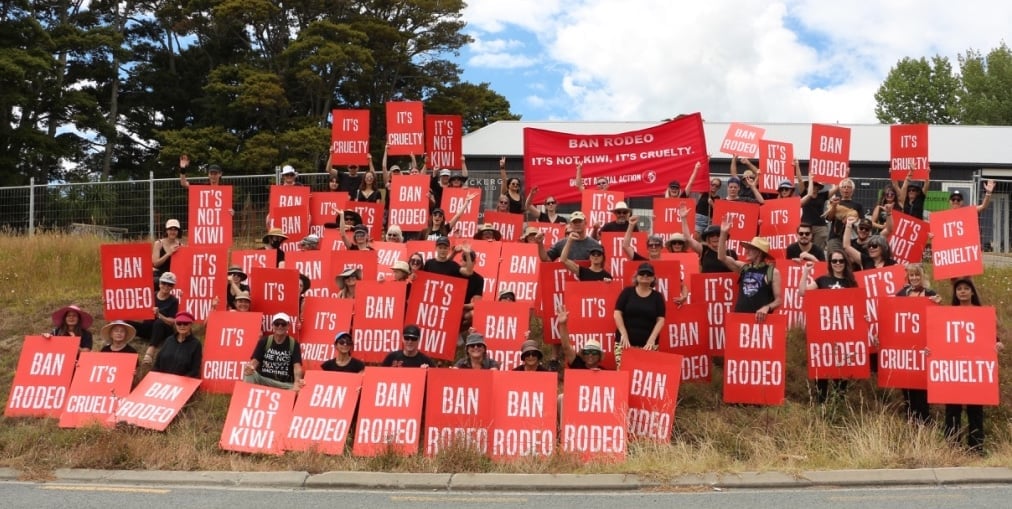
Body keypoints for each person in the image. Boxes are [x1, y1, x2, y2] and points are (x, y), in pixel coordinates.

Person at [943, 278, 1003, 453]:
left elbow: (992, 338)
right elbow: (940, 339)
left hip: (975, 370)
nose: (962, 291)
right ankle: (952, 447)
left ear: (972, 292)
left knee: (975, 409)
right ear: (955, 293)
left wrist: (997, 345)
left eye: (966, 288)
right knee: (952, 409)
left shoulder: (981, 313)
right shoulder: (948, 313)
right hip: (954, 369)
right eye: (959, 289)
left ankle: (976, 448)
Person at [800, 250, 859, 403]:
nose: (838, 264)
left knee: (841, 370)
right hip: (824, 333)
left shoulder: (851, 283)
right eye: (834, 261)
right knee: (823, 368)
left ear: (846, 263)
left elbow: (857, 308)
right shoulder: (822, 281)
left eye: (841, 261)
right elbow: (802, 293)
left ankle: (839, 403)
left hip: (843, 333)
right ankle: (821, 404)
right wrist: (805, 272)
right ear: (830, 264)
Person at [893, 263, 942, 423]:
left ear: (922, 276)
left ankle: (924, 420)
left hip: (923, 348)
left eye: (917, 275)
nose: (914, 278)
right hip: (906, 349)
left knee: (921, 388)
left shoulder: (931, 294)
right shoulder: (901, 294)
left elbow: (938, 320)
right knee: (907, 387)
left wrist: (938, 304)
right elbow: (893, 315)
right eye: (911, 275)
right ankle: (910, 420)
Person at [717, 222, 782, 318]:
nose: (746, 251)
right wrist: (723, 233)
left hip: (760, 321)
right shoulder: (743, 267)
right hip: (740, 318)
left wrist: (767, 307)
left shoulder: (772, 272)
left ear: (759, 252)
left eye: (750, 249)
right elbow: (721, 257)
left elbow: (779, 300)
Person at [614, 262, 666, 353]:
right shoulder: (627, 292)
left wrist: (652, 339)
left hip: (648, 346)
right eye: (642, 273)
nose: (645, 275)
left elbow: (661, 320)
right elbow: (617, 313)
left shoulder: (657, 297)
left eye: (649, 274)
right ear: (636, 276)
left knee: (648, 368)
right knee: (623, 368)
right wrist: (624, 334)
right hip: (625, 343)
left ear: (653, 278)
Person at [131, 271, 180, 366]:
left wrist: (159, 315)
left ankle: (150, 351)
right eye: (164, 283)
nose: (166, 286)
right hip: (148, 328)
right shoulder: (150, 295)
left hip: (163, 330)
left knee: (159, 322)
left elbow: (173, 321)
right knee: (127, 322)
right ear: (159, 283)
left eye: (169, 284)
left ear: (173, 287)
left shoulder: (173, 300)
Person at [244, 313, 304, 390]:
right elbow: (255, 361)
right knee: (249, 374)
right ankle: (246, 397)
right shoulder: (264, 341)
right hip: (264, 380)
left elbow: (297, 367)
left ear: (288, 326)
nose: (280, 326)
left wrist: (296, 383)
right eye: (277, 323)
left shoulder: (293, 343)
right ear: (272, 326)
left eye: (283, 324)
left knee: (301, 387)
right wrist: (250, 368)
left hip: (284, 384)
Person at [679, 205, 736, 273]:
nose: (715, 237)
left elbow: (736, 273)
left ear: (723, 237)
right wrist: (683, 218)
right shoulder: (704, 250)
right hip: (706, 283)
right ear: (707, 239)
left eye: (718, 235)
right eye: (712, 235)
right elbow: (688, 238)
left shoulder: (731, 253)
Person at [151, 312, 202, 379]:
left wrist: (180, 381)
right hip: (162, 381)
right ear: (175, 324)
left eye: (185, 323)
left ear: (191, 324)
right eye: (179, 323)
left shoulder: (196, 344)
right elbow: (157, 364)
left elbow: (194, 370)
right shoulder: (169, 340)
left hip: (182, 383)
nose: (182, 326)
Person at [825, 177, 863, 254]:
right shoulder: (834, 202)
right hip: (835, 238)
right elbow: (829, 218)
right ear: (840, 189)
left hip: (851, 238)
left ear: (852, 190)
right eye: (844, 187)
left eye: (849, 187)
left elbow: (861, 221)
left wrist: (852, 220)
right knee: (834, 260)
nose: (846, 189)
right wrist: (834, 207)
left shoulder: (858, 205)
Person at [152, 219, 183, 286]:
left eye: (175, 229)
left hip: (173, 276)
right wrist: (168, 254)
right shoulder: (158, 244)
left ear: (178, 231)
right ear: (166, 231)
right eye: (170, 229)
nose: (173, 232)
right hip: (159, 275)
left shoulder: (181, 246)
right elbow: (155, 264)